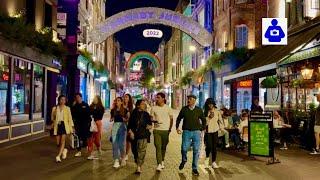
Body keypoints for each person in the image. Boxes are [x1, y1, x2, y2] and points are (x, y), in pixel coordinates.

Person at [176, 94, 206, 176]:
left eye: (190, 99)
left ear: (194, 100)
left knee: (196, 150)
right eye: (188, 99)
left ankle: (194, 168)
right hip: (186, 132)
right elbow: (179, 118)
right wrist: (177, 127)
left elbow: (203, 119)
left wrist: (202, 128)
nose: (188, 100)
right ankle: (184, 160)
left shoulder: (199, 110)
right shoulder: (184, 109)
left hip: (197, 132)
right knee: (184, 148)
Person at [150, 92, 173, 172]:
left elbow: (171, 119)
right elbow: (151, 118)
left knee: (163, 147)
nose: (157, 99)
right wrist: (153, 121)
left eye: (158, 97)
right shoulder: (153, 108)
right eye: (156, 97)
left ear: (163, 99)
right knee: (158, 146)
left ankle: (162, 160)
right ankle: (159, 164)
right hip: (157, 130)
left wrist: (169, 129)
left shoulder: (168, 108)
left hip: (165, 131)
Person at [128, 100, 152, 174]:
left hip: (143, 135)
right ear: (138, 105)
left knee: (142, 151)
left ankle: (139, 166)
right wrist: (130, 132)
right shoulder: (133, 114)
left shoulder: (146, 114)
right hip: (134, 135)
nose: (144, 105)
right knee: (135, 151)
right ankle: (137, 161)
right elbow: (129, 125)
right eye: (142, 104)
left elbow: (150, 125)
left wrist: (149, 126)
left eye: (145, 104)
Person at [51, 95, 74, 162]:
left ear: (65, 101)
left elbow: (70, 118)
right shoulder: (55, 108)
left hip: (64, 125)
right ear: (59, 100)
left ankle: (58, 156)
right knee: (58, 143)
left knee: (62, 141)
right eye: (61, 99)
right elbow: (52, 118)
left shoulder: (67, 108)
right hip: (57, 125)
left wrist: (72, 127)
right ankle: (64, 150)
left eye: (64, 100)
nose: (63, 101)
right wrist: (53, 122)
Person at [110, 97, 129, 168]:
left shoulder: (125, 110)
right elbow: (111, 119)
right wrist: (111, 119)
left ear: (121, 102)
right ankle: (116, 160)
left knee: (121, 144)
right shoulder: (113, 110)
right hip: (115, 126)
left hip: (122, 126)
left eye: (118, 101)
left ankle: (123, 157)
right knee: (115, 144)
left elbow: (128, 119)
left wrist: (125, 119)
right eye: (116, 101)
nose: (117, 102)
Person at [203, 98, 222, 169]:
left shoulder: (217, 112)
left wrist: (221, 129)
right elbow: (204, 123)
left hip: (215, 131)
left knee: (214, 147)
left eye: (211, 104)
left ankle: (213, 162)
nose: (210, 105)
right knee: (209, 146)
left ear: (214, 104)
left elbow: (220, 121)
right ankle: (207, 157)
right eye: (209, 104)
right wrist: (209, 117)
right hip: (208, 132)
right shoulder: (205, 112)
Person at [71, 93, 91, 158]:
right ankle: (79, 151)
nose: (77, 98)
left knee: (85, 137)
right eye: (76, 97)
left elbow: (89, 114)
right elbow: (72, 114)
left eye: (78, 97)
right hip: (77, 124)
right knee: (78, 137)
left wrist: (89, 123)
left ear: (81, 97)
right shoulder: (75, 106)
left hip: (85, 124)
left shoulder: (85, 105)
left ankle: (86, 149)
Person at [87, 95, 105, 160]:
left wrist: (94, 111)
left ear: (98, 100)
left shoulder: (101, 107)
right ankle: (90, 153)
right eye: (94, 98)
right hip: (91, 123)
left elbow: (100, 116)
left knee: (97, 138)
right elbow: (88, 114)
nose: (94, 99)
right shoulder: (90, 106)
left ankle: (98, 147)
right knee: (90, 138)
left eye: (95, 98)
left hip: (98, 123)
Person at [123, 93, 134, 161]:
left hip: (129, 125)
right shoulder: (121, 105)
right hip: (121, 125)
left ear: (129, 99)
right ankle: (122, 153)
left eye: (127, 97)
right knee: (121, 140)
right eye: (124, 97)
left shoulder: (131, 107)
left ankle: (126, 154)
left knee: (128, 140)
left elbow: (132, 117)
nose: (125, 98)